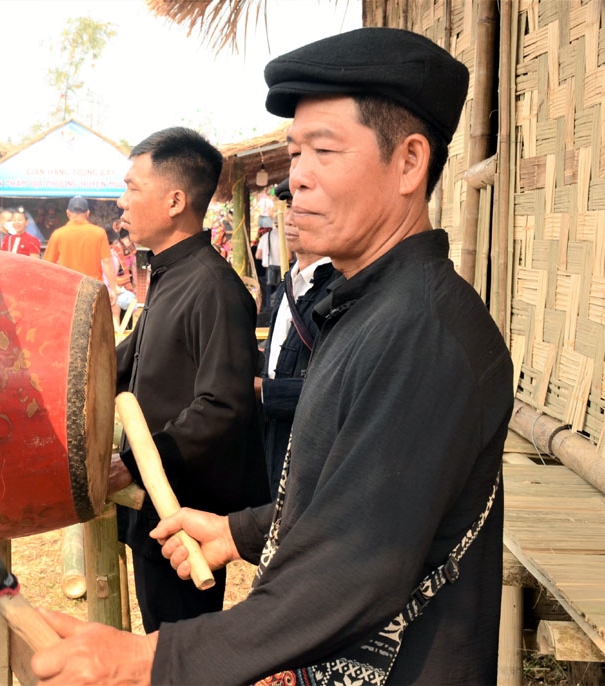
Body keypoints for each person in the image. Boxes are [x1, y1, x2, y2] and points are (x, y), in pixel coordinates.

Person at [32, 28, 513, 685]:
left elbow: (355, 569)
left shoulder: (425, 333)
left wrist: (147, 659)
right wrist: (244, 532)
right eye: (294, 153)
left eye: (324, 151)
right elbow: (351, 493)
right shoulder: (362, 307)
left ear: (408, 164)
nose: (297, 179)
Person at [106, 127, 269, 633]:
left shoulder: (214, 288)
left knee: (180, 653)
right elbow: (126, 363)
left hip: (184, 512)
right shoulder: (171, 275)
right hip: (155, 509)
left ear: (175, 200)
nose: (121, 200)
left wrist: (134, 463)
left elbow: (223, 405)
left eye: (133, 187)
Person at [256, 178, 339, 499]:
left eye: (304, 209)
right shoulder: (287, 284)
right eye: (289, 207)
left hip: (313, 448)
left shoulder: (341, 290)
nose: (289, 218)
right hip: (273, 436)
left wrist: (263, 391)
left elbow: (338, 391)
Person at [43, 196, 117, 305]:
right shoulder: (99, 233)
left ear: (68, 213)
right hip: (92, 289)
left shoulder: (58, 234)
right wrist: (113, 289)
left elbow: (47, 265)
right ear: (87, 213)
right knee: (91, 321)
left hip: (67, 289)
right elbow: (107, 262)